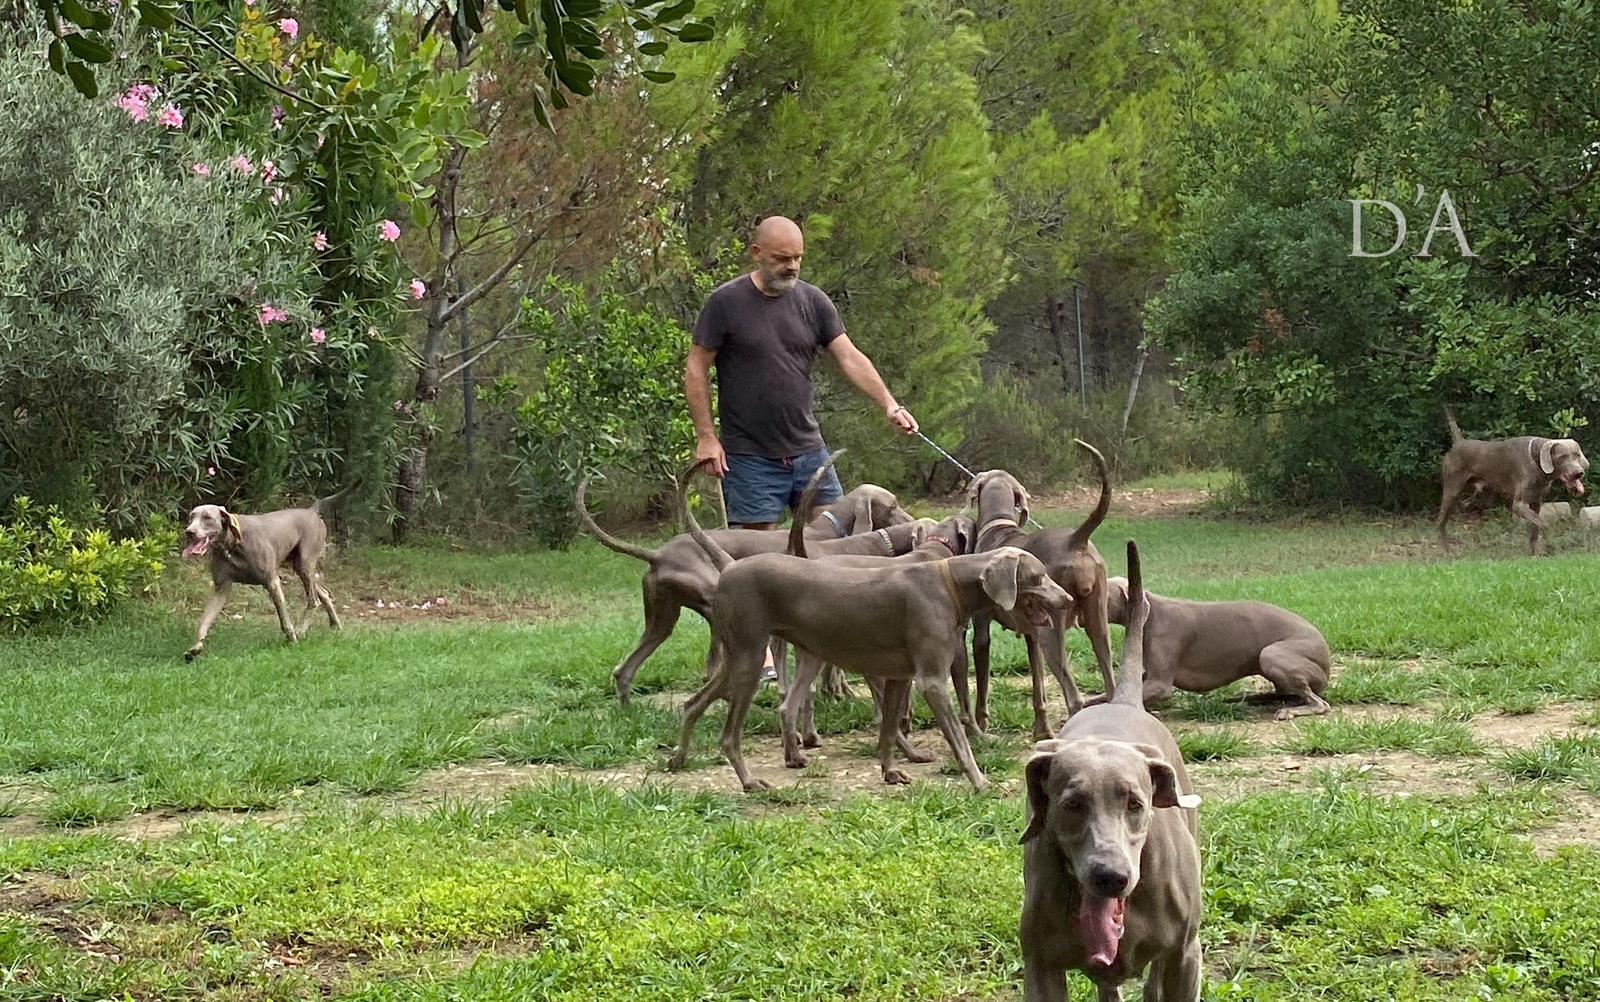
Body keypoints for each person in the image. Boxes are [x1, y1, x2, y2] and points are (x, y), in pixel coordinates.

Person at [686, 215, 919, 679]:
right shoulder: (726, 303)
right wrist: (707, 436)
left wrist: (889, 404)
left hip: (809, 452)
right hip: (749, 456)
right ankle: (757, 654)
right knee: (751, 558)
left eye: (797, 258)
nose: (791, 267)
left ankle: (835, 649)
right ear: (756, 254)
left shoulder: (814, 303)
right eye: (781, 259)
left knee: (841, 548)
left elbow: (849, 357)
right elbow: (696, 368)